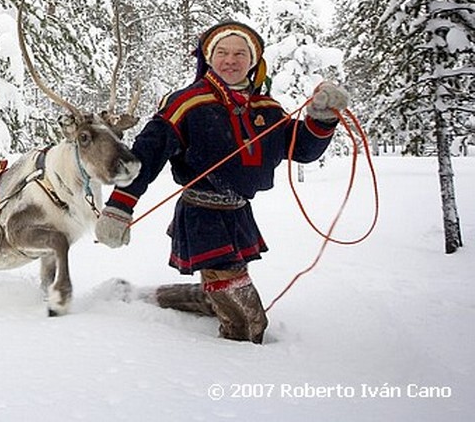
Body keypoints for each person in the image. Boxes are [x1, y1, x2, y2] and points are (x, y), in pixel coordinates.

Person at [94, 20, 349, 344]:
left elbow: (302, 149)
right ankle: (235, 359)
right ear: (209, 58)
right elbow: (147, 156)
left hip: (239, 213)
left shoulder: (266, 108)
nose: (231, 60)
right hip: (201, 214)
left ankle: (150, 296)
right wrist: (119, 207)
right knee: (247, 317)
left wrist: (321, 118)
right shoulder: (187, 103)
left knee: (219, 290)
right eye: (223, 52)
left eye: (240, 53)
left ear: (253, 60)